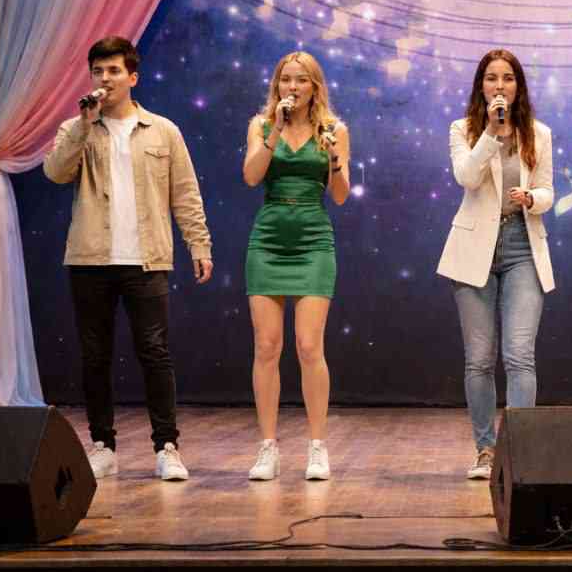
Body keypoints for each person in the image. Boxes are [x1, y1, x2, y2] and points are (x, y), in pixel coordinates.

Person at [43, 36, 214, 482]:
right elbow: (56, 172)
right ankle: (102, 445)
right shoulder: (76, 128)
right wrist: (83, 126)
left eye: (114, 71)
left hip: (146, 259)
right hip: (90, 258)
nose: (105, 79)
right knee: (95, 355)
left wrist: (199, 244)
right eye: (98, 71)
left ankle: (167, 446)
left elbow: (185, 192)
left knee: (155, 352)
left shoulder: (163, 131)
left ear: (132, 77)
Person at [437, 49, 555, 480]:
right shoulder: (463, 129)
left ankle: (518, 451)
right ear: (481, 86)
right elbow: (467, 177)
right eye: (492, 78)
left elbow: (548, 191)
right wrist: (490, 131)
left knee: (520, 354)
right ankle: (486, 450)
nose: (500, 85)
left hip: (523, 245)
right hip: (475, 250)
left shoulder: (538, 133)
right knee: (480, 359)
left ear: (518, 86)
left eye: (507, 78)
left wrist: (532, 198)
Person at [242, 51, 350, 482]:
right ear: (277, 85)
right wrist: (275, 131)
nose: (292, 87)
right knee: (267, 346)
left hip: (313, 241)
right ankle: (268, 446)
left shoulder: (334, 129)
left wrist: (334, 159)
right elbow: (252, 176)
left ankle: (317, 446)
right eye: (286, 79)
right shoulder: (261, 125)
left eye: (301, 80)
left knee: (308, 346)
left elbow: (340, 194)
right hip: (268, 239)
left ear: (314, 86)